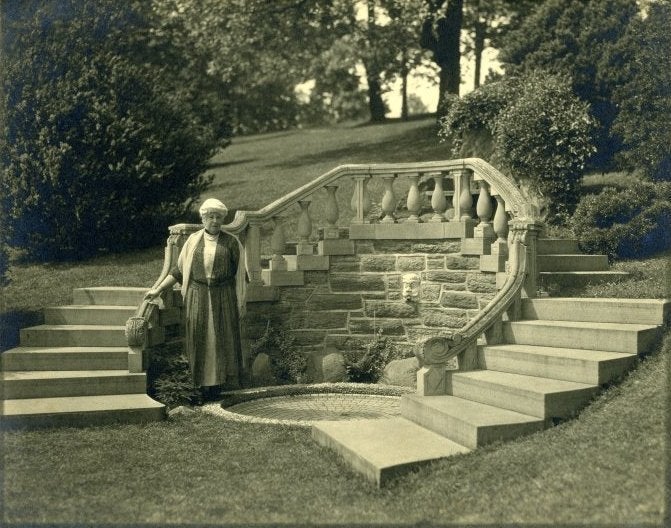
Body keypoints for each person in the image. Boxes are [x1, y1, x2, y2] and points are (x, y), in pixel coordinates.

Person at [145, 198, 244, 402]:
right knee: (200, 337)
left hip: (223, 297)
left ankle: (217, 386)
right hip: (197, 296)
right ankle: (200, 386)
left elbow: (241, 276)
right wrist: (158, 290)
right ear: (203, 218)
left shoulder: (232, 242)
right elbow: (178, 271)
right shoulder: (193, 242)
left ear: (223, 219)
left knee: (220, 339)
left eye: (218, 217)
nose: (215, 221)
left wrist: (240, 301)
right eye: (210, 217)